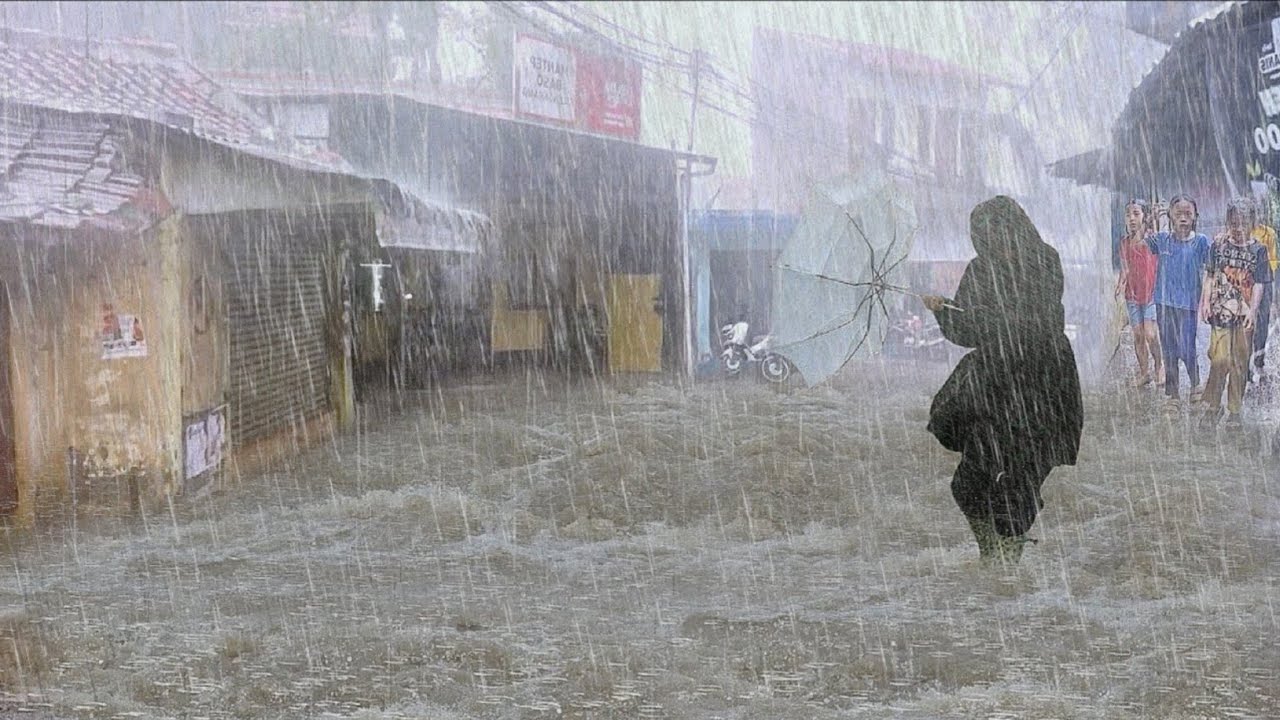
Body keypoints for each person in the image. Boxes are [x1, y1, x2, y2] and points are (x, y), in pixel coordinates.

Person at [922, 196, 1083, 566]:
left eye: (998, 234)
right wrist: (944, 313)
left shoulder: (1045, 260)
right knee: (969, 482)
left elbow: (1033, 321)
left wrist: (987, 318)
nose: (993, 244)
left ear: (1016, 229)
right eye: (983, 237)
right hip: (994, 387)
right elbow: (968, 332)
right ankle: (989, 552)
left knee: (1020, 481)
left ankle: (1008, 567)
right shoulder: (978, 271)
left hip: (1044, 384)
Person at [1199, 198, 1273, 428]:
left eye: (1243, 223)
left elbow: (1260, 283)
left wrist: (1253, 310)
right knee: (1219, 359)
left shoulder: (1259, 250)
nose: (1239, 228)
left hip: (1244, 316)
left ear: (1252, 223)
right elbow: (1210, 274)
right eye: (1234, 223)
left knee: (1240, 363)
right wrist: (1205, 301)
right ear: (1228, 222)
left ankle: (1234, 411)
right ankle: (1213, 406)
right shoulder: (1218, 246)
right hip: (1221, 311)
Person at [1146, 195, 1211, 404]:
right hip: (1165, 303)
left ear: (1195, 217)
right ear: (1170, 216)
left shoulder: (1201, 242)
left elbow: (1212, 269)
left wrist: (1209, 300)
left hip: (1189, 305)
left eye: (1188, 214)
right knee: (1169, 349)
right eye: (1178, 214)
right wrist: (1150, 219)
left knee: (1187, 347)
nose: (1183, 218)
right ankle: (1172, 394)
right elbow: (1143, 241)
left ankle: (1195, 382)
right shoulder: (1163, 239)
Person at [1114, 199, 1162, 386]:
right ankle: (1144, 372)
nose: (1132, 218)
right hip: (1132, 296)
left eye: (1136, 213)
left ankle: (1159, 365)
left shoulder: (1152, 240)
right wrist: (1120, 284)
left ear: (1145, 216)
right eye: (1128, 214)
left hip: (1150, 295)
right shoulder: (1124, 243)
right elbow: (1125, 268)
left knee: (1150, 334)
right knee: (1138, 335)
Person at [1248, 197, 1278, 380]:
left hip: (1265, 282)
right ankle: (1245, 361)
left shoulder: (1269, 233)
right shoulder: (1242, 232)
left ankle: (1259, 359)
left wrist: (1266, 273)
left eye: (1260, 211)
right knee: (1246, 321)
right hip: (1245, 283)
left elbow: (1274, 259)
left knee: (1262, 321)